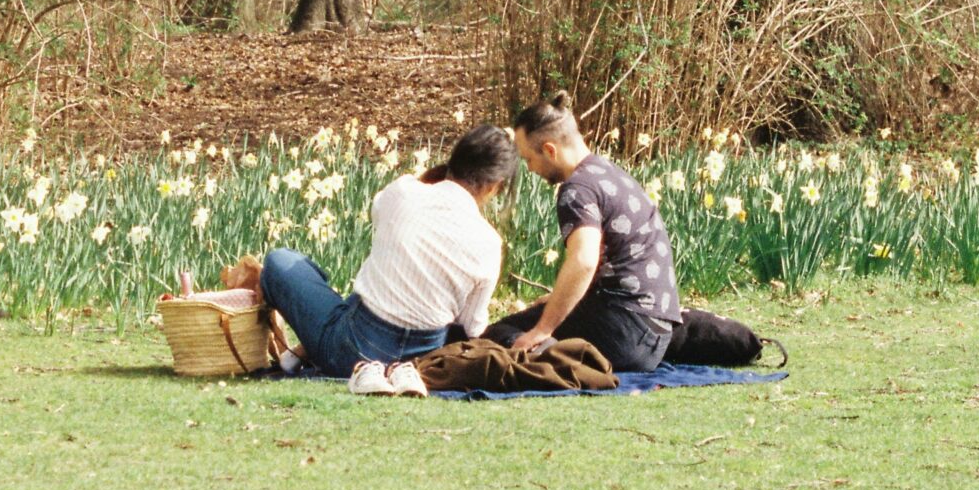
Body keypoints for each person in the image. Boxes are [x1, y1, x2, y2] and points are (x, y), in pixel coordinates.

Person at [259, 124, 516, 397]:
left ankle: (311, 348)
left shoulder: (404, 191)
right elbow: (472, 327)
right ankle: (316, 350)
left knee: (280, 261)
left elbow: (378, 214)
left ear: (453, 159)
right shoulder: (489, 243)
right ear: (494, 186)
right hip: (422, 360)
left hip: (351, 349)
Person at [487, 91, 682, 373]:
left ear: (550, 150)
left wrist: (543, 328)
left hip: (625, 335)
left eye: (529, 159)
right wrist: (558, 301)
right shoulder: (609, 172)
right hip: (656, 334)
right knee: (537, 316)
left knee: (499, 332)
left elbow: (584, 261)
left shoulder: (577, 189)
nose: (530, 168)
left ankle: (547, 351)